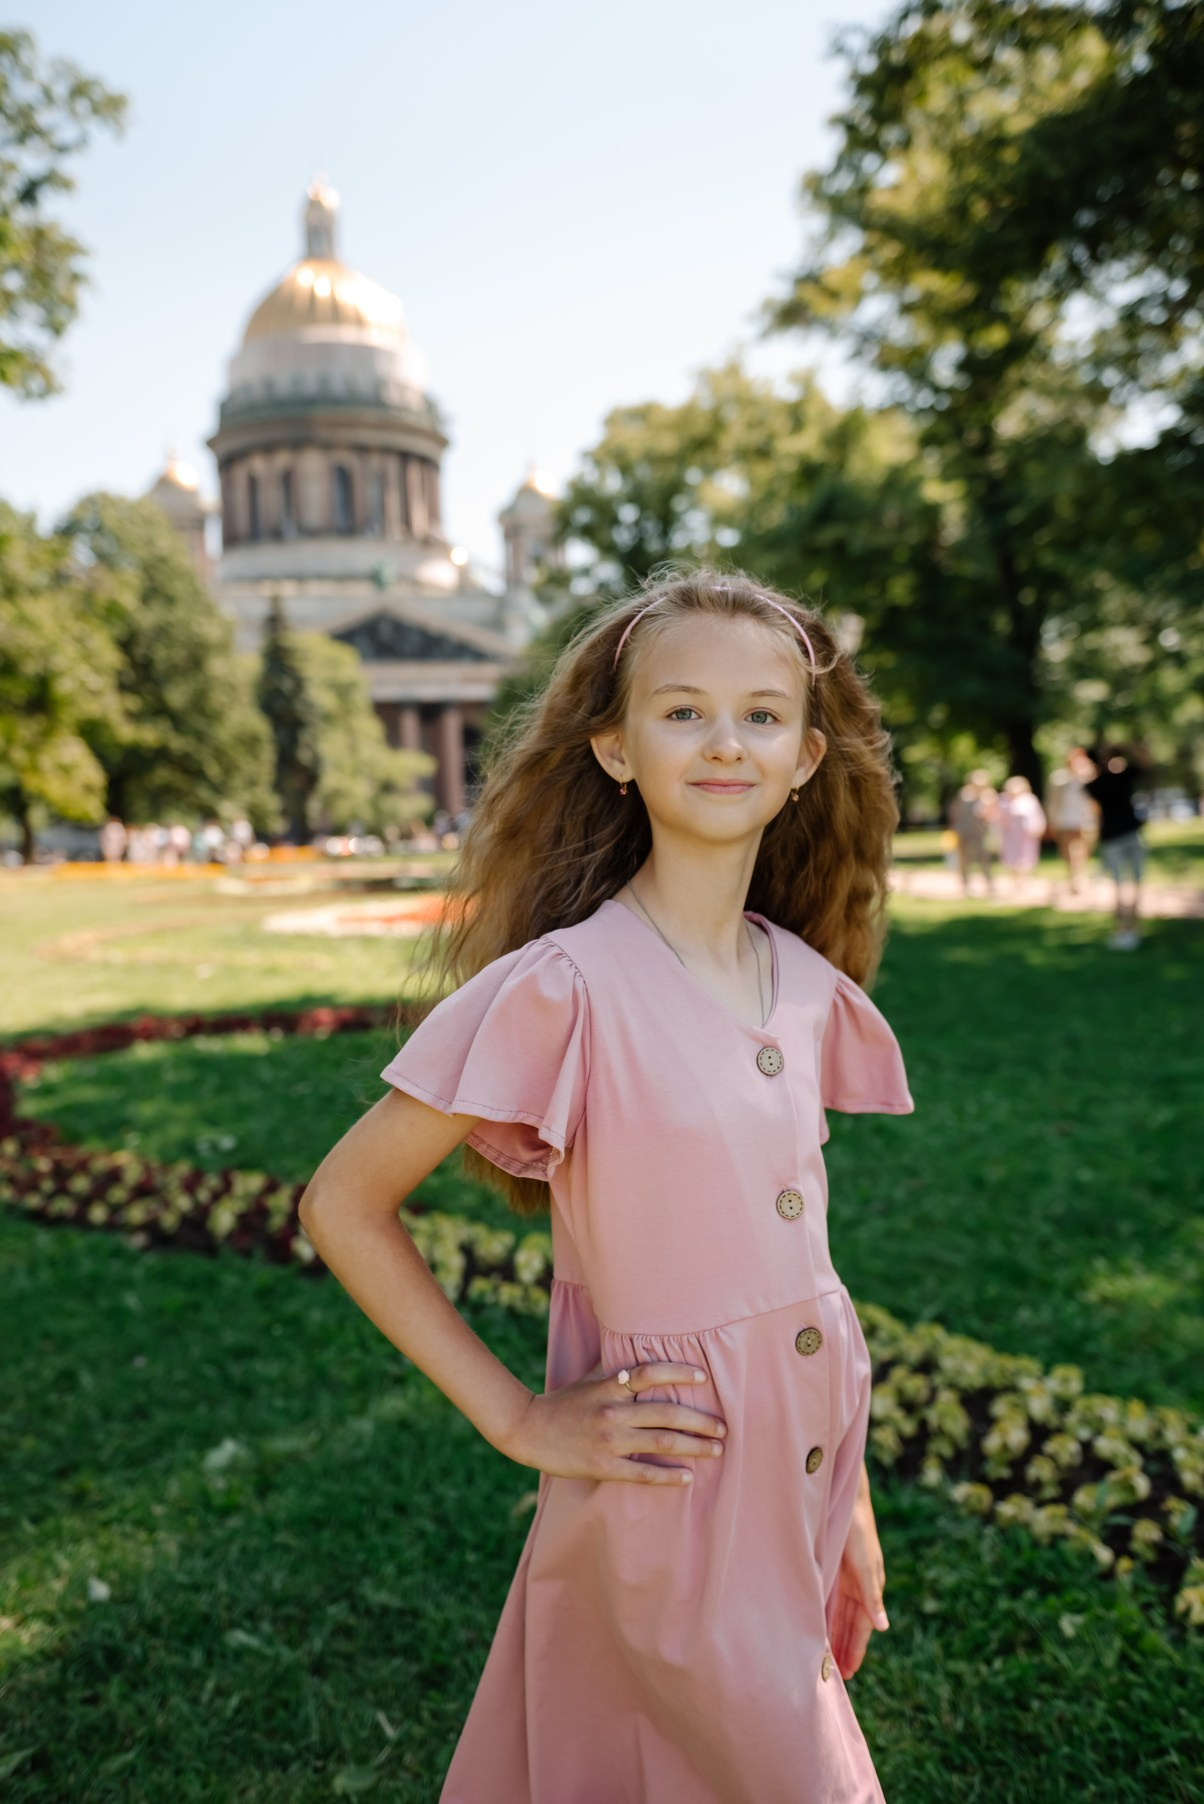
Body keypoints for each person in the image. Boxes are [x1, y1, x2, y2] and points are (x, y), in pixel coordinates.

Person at [299, 570, 915, 1803]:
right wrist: (518, 1419)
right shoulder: (563, 987)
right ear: (615, 747)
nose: (725, 740)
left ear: (804, 756)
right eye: (682, 711)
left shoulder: (801, 981)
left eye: (762, 713)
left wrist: (845, 1501)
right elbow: (341, 1203)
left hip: (795, 1473)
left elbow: (804, 1265)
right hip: (670, 1480)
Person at [1074, 742, 1149, 949]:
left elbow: (1144, 763)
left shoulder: (1117, 778)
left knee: (1133, 882)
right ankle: (1123, 928)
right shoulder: (1101, 783)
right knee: (1120, 884)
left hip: (1126, 834)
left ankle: (1131, 926)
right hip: (1115, 836)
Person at [1044, 749, 1095, 893]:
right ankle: (1073, 877)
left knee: (1082, 849)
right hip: (1064, 819)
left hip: (1084, 820)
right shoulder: (1059, 779)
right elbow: (1051, 800)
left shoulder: (1087, 777)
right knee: (1067, 850)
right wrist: (1051, 819)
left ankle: (1079, 876)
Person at [948, 768, 997, 897]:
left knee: (983, 857)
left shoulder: (988, 795)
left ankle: (989, 883)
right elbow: (955, 810)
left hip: (980, 832)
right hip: (963, 830)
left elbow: (991, 813)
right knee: (964, 858)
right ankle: (965, 884)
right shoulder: (964, 794)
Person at [995, 775, 1047, 892]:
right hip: (1010, 834)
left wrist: (1039, 827)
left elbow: (1037, 816)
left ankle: (1024, 880)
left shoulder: (1029, 799)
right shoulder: (1004, 801)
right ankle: (1015, 879)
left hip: (1027, 834)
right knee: (1012, 856)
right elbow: (998, 817)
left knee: (1026, 856)